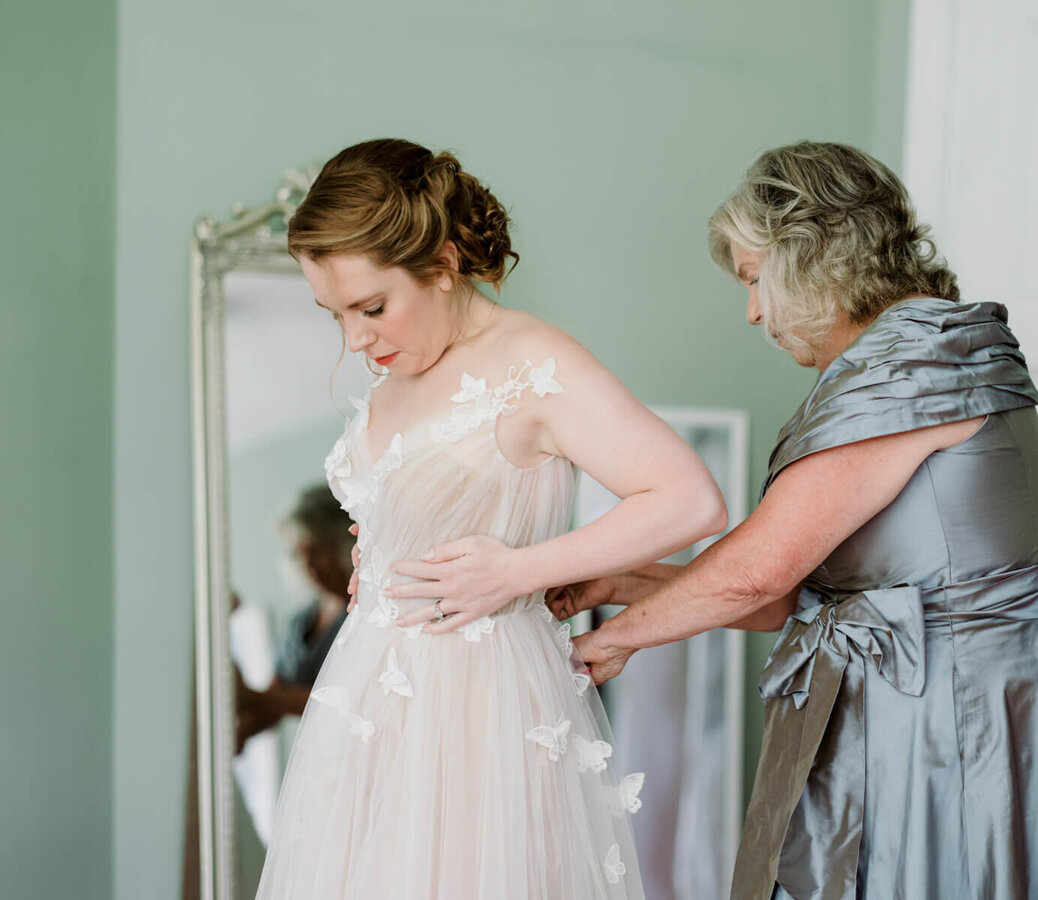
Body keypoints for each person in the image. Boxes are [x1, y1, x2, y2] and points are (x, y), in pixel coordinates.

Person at [540, 142, 1038, 898]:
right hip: (958, 693)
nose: (752, 311)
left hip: (941, 710)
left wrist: (613, 641)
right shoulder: (935, 349)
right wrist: (625, 582)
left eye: (754, 280)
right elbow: (794, 598)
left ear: (811, 257)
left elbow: (760, 570)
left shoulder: (913, 364)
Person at [254, 138, 727, 900]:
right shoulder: (393, 373)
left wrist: (519, 570)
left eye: (372, 307)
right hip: (368, 697)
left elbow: (688, 499)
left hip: (480, 702)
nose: (356, 339)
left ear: (442, 265)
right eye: (335, 314)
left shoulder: (531, 362)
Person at [236, 484, 356, 752]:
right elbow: (274, 697)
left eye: (318, 550)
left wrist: (255, 697)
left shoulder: (365, 614)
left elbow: (349, 702)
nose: (309, 565)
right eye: (298, 553)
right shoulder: (300, 624)